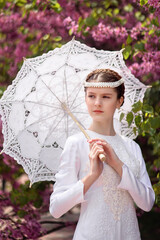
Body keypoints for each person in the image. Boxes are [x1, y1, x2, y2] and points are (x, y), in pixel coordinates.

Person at [49, 69, 155, 240]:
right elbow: (56, 208)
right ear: (85, 99)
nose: (97, 103)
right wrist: (91, 176)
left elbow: (147, 203)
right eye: (91, 96)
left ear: (119, 101)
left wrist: (119, 166)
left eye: (106, 97)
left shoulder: (131, 146)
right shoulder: (76, 143)